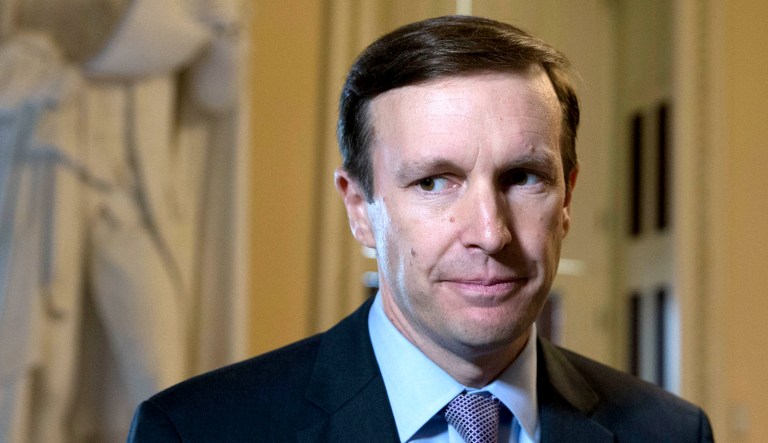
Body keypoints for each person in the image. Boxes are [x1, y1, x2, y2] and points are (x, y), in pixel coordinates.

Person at [128, 15, 714, 442]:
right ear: (360, 208)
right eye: (435, 181)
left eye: (522, 177)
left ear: (567, 200)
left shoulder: (670, 433)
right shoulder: (198, 431)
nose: (490, 232)